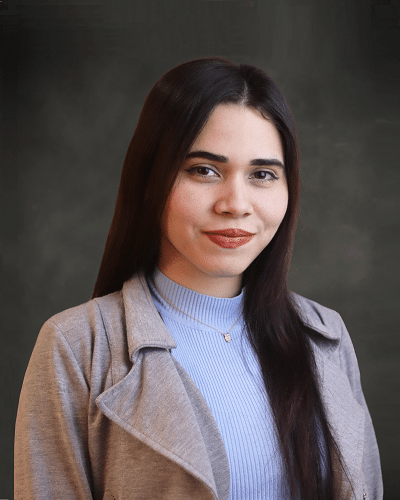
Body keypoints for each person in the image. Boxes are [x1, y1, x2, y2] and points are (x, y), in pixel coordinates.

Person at [14, 57, 383, 500]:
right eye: (204, 170)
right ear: (152, 179)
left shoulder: (324, 336)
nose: (236, 203)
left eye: (262, 174)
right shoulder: (77, 347)